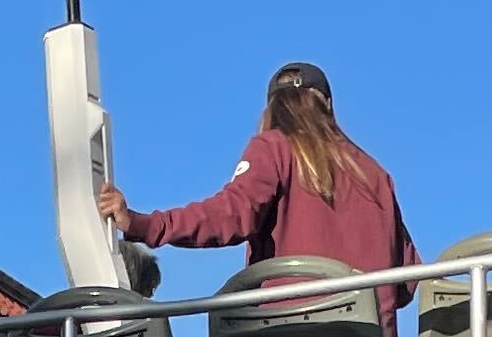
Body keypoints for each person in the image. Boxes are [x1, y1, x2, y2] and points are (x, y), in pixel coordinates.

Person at [101, 61, 420, 323]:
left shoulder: (274, 147)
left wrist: (144, 224)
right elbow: (406, 282)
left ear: (272, 109)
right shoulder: (376, 175)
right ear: (329, 105)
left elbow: (230, 214)